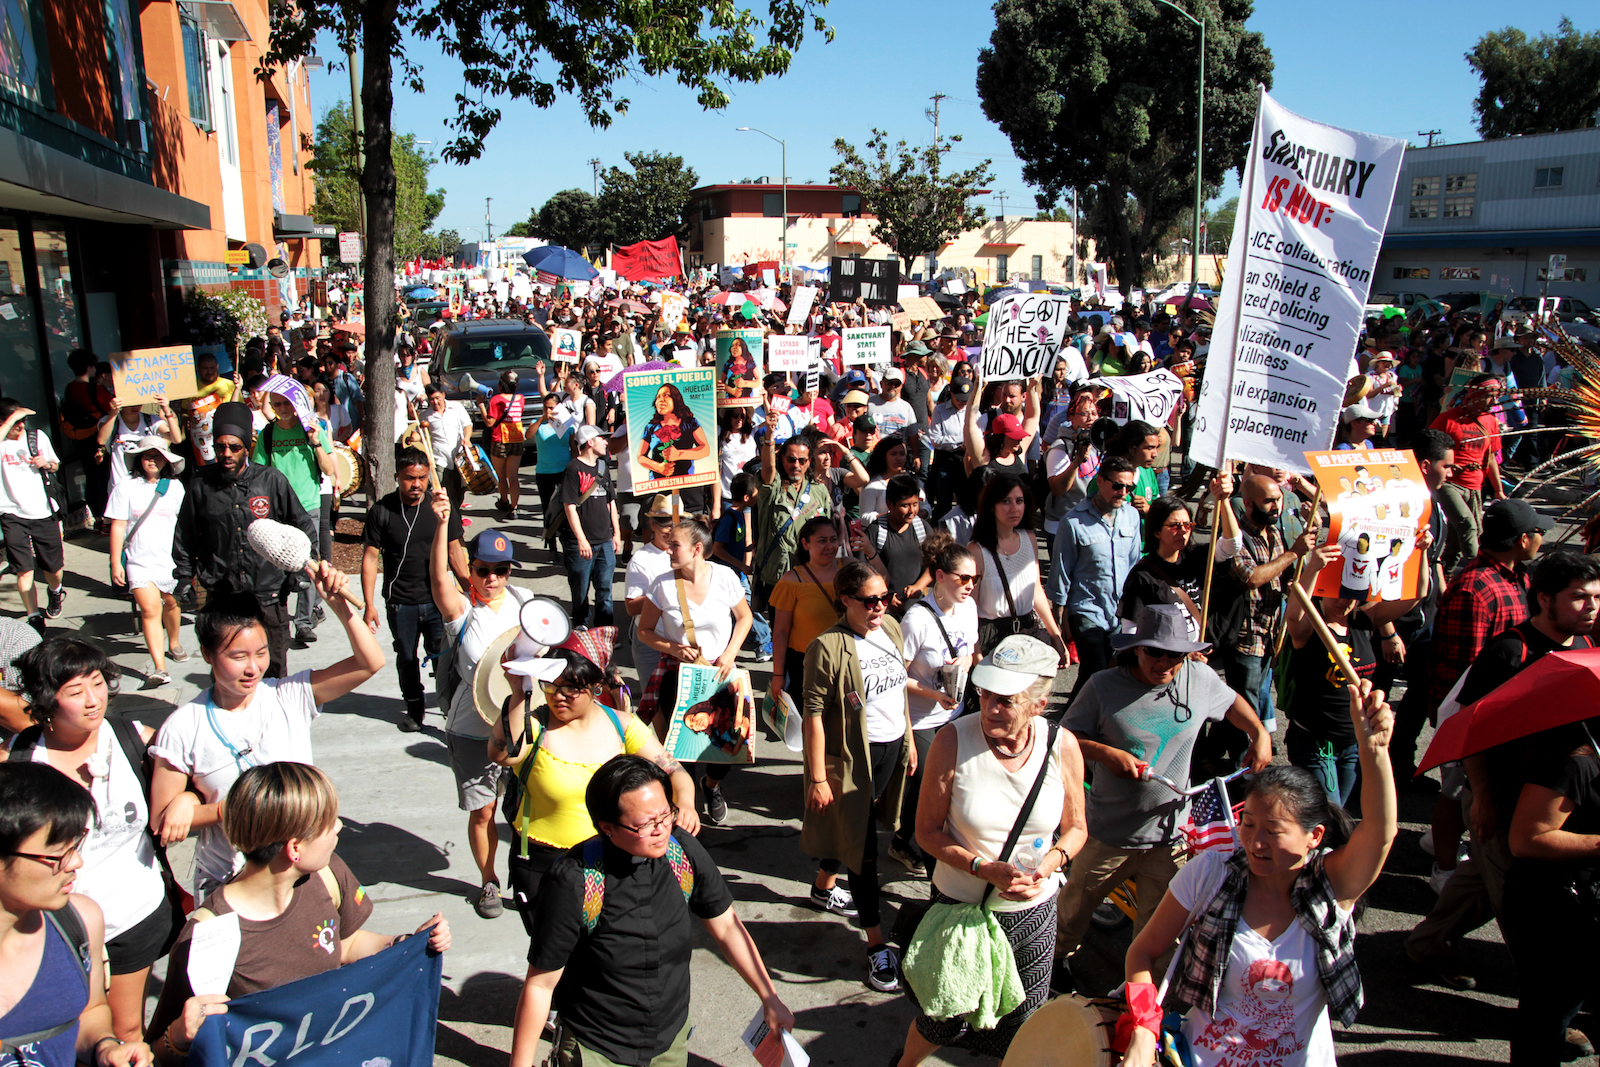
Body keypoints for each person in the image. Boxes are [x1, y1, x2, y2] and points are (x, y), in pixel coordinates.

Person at [1119, 684, 1397, 1067]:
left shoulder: (1330, 887)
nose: (1255, 842)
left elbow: (1381, 832)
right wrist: (1143, 1030)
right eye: (1248, 824)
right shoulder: (1210, 874)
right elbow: (1143, 952)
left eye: (1274, 830)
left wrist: (1375, 751)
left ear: (1314, 836)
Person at [145, 763, 450, 1065]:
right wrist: (180, 1036)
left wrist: (405, 944)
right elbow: (158, 1052)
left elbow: (347, 945)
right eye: (328, 822)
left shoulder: (328, 874)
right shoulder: (207, 937)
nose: (339, 827)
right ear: (294, 849)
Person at [510, 756, 794, 1067]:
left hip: (669, 1043)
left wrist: (769, 996)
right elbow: (540, 985)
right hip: (598, 1050)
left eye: (666, 814)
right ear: (607, 828)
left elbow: (726, 926)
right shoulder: (574, 882)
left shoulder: (681, 851)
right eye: (646, 824)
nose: (661, 829)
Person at [1407, 552, 1600, 998]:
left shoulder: (1585, 647)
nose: (1590, 607)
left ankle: (1425, 943)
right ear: (1545, 599)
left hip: (1551, 795)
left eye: (1595, 598)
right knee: (1522, 904)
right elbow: (1471, 728)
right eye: (1578, 598)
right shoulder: (1510, 651)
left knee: (1483, 880)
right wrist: (1485, 799)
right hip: (1503, 795)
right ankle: (1548, 999)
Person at [1054, 604, 1272, 989]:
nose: (1165, 662)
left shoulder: (1198, 678)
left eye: (1176, 653)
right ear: (1136, 648)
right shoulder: (1103, 687)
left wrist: (1260, 733)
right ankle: (1050, 969)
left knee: (1160, 936)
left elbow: (1233, 703)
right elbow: (1067, 739)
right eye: (1155, 651)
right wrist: (1107, 753)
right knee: (1071, 915)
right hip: (1110, 834)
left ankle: (1140, 1007)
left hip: (1170, 837)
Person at [895, 633, 1088, 1064]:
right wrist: (984, 868)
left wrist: (1050, 864)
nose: (991, 707)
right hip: (962, 906)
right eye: (986, 694)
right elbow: (926, 832)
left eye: (1006, 699)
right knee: (942, 1015)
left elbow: (1076, 830)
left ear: (1039, 703)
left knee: (1022, 1021)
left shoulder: (1062, 745)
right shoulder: (953, 740)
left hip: (1032, 915)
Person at [148, 574, 382, 901]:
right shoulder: (184, 726)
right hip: (231, 884)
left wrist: (340, 606)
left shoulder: (288, 696)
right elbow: (163, 821)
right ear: (207, 654)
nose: (253, 668)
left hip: (301, 874)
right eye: (238, 656)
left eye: (261, 653)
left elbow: (369, 662)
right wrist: (217, 809)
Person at [6, 642, 174, 1041]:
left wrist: (183, 799)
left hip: (135, 912)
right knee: (70, 1029)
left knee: (126, 1028)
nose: (92, 700)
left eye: (97, 684)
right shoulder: (19, 761)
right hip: (58, 923)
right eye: (75, 691)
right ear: (47, 699)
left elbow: (194, 783)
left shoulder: (136, 739)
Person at [489, 632, 700, 937]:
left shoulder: (621, 725)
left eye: (571, 688)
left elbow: (674, 771)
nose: (558, 695)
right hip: (543, 864)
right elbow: (502, 754)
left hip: (609, 862)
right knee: (551, 961)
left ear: (594, 688)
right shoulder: (533, 725)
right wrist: (518, 691)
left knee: (605, 956)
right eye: (551, 685)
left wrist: (687, 804)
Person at [801, 560, 917, 992]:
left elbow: (900, 686)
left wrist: (907, 740)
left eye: (885, 598)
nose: (880, 607)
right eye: (870, 601)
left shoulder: (891, 629)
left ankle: (821, 888)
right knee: (865, 851)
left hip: (890, 750)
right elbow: (813, 714)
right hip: (853, 760)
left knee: (857, 832)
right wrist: (817, 777)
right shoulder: (827, 648)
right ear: (845, 599)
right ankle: (875, 947)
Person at [1422, 498, 1547, 893]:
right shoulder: (1476, 590)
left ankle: (1438, 842)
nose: (1543, 538)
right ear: (1523, 539)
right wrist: (1464, 729)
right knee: (1456, 793)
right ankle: (1443, 867)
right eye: (1539, 532)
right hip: (1474, 714)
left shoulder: (1518, 577)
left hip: (1505, 711)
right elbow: (1462, 669)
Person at [0, 762, 149, 1067]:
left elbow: (90, 1010)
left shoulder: (79, 921)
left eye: (77, 845)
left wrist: (105, 1047)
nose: (76, 862)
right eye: (58, 853)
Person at [175, 402, 317, 678]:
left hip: (268, 595)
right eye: (220, 447)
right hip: (224, 597)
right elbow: (185, 535)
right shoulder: (200, 486)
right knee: (230, 675)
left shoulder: (271, 481)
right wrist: (183, 576)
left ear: (247, 446)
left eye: (234, 447)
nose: (226, 454)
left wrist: (298, 569)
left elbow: (301, 526)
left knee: (273, 672)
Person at [1283, 533, 1427, 804]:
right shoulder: (1309, 626)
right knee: (1330, 813)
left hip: (1353, 743)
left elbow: (1416, 594)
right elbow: (1295, 611)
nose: (1344, 602)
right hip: (1316, 743)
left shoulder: (1363, 621)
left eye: (1352, 596)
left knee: (1342, 813)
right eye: (1338, 593)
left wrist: (1420, 553)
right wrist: (1313, 566)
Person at [637, 517, 754, 825]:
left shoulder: (726, 576)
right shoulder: (661, 584)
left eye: (674, 544)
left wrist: (730, 654)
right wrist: (673, 648)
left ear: (697, 548)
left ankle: (712, 786)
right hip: (679, 678)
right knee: (683, 751)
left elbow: (745, 618)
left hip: (718, 675)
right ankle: (685, 814)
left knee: (725, 750)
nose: (667, 550)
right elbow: (644, 631)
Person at [1200, 474, 1317, 777]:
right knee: (1248, 707)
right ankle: (1247, 772)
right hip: (1245, 637)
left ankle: (1208, 753)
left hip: (1271, 634)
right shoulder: (1236, 536)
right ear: (1249, 504)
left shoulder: (1274, 533)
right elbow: (1249, 576)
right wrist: (1294, 553)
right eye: (1269, 500)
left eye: (1278, 499)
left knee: (1239, 700)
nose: (1276, 505)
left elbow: (1282, 574)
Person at [889, 536, 980, 877]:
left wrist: (967, 660)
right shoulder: (917, 619)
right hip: (921, 718)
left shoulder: (969, 608)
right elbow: (896, 677)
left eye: (975, 579)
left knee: (951, 784)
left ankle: (917, 839)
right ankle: (913, 846)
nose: (970, 586)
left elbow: (971, 650)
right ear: (940, 577)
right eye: (963, 578)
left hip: (955, 712)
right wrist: (933, 696)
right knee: (930, 784)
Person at [361, 448, 467, 732]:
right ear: (398, 477)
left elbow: (455, 550)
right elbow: (370, 558)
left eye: (422, 477)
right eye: (410, 478)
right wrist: (369, 604)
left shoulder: (441, 508)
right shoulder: (381, 511)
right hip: (400, 602)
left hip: (437, 601)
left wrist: (469, 588)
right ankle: (414, 709)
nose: (417, 484)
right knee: (406, 658)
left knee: (444, 657)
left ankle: (450, 707)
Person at [1050, 456, 1144, 698]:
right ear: (1099, 481)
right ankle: (1073, 726)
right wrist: (1059, 624)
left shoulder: (1132, 517)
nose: (1123, 492)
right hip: (1086, 610)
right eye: (1117, 486)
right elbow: (1061, 573)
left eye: (1129, 487)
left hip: (1119, 612)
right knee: (1095, 669)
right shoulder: (1072, 522)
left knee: (1109, 673)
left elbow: (1135, 566)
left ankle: (1078, 720)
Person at [253, 382, 338, 647]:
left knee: (309, 566)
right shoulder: (267, 435)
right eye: (277, 404)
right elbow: (257, 472)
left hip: (309, 506)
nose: (282, 409)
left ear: (297, 403)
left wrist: (315, 444)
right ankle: (276, 618)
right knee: (275, 568)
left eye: (286, 403)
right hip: (278, 510)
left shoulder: (312, 430)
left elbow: (329, 468)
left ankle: (303, 623)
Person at [1117, 477, 1239, 645]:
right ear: (1157, 531)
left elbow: (1232, 545)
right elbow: (1131, 630)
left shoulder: (1197, 557)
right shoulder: (1143, 575)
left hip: (1197, 655)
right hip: (1163, 663)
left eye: (1188, 525)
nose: (1183, 531)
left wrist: (1224, 500)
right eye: (1175, 526)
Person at [105, 438, 187, 685]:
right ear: (139, 459)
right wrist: (115, 562)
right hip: (138, 561)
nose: (152, 460)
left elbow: (185, 524)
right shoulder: (125, 488)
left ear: (166, 461)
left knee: (171, 604)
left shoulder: (175, 488)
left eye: (158, 455)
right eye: (147, 455)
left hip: (169, 559)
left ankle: (173, 642)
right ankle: (159, 669)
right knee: (150, 610)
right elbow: (118, 525)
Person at [0, 401, 67, 633]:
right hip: (11, 514)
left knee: (53, 568)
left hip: (43, 512)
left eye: (23, 420)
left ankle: (56, 591)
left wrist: (46, 464)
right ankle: (34, 616)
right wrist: (9, 420)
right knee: (23, 568)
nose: (21, 425)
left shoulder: (36, 437)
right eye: (16, 421)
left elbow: (56, 465)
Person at [1431, 375, 1507, 571]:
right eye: (1491, 396)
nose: (1495, 401)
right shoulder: (1447, 419)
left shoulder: (1491, 422)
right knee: (1467, 524)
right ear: (1478, 394)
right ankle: (1482, 571)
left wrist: (1498, 490)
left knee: (1457, 540)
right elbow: (1428, 448)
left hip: (1475, 487)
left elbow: (1490, 458)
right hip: (1448, 484)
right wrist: (1446, 465)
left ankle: (1444, 576)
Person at [753, 428, 832, 608]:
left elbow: (827, 531)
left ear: (809, 462)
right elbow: (767, 468)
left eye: (802, 460)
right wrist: (769, 438)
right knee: (781, 630)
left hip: (811, 572)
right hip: (778, 575)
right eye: (791, 459)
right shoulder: (773, 488)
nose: (796, 464)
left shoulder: (818, 491)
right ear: (782, 458)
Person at [561, 425, 621, 630]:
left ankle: (604, 629)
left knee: (605, 588)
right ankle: (580, 625)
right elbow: (569, 506)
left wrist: (617, 533)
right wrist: (581, 539)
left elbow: (611, 502)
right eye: (601, 438)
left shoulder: (603, 467)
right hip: (580, 543)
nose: (606, 442)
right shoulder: (573, 469)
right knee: (580, 589)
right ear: (589, 442)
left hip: (604, 539)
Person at [858, 473, 929, 616]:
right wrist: (885, 597)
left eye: (915, 505)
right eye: (905, 506)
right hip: (882, 611)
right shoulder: (876, 531)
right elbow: (863, 571)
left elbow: (935, 563)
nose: (911, 511)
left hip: (917, 610)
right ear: (890, 504)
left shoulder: (923, 528)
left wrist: (919, 586)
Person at [96, 393, 182, 499]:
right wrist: (113, 413)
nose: (135, 407)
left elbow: (176, 439)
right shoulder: (111, 421)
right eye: (131, 403)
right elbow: (101, 440)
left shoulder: (150, 420)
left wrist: (167, 410)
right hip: (120, 486)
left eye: (138, 403)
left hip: (147, 485)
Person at [424, 382, 475, 511]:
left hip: (459, 457)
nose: (435, 402)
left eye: (437, 398)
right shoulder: (425, 415)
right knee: (446, 490)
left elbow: (467, 425)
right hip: (440, 459)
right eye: (431, 399)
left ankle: (455, 513)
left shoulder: (456, 407)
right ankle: (452, 519)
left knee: (460, 489)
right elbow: (421, 433)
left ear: (443, 395)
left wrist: (466, 438)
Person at [484, 370, 527, 516]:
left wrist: (481, 406)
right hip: (517, 439)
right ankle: (514, 508)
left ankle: (504, 500)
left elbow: (490, 422)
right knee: (513, 477)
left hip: (500, 439)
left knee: (501, 476)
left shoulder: (496, 400)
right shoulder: (520, 398)